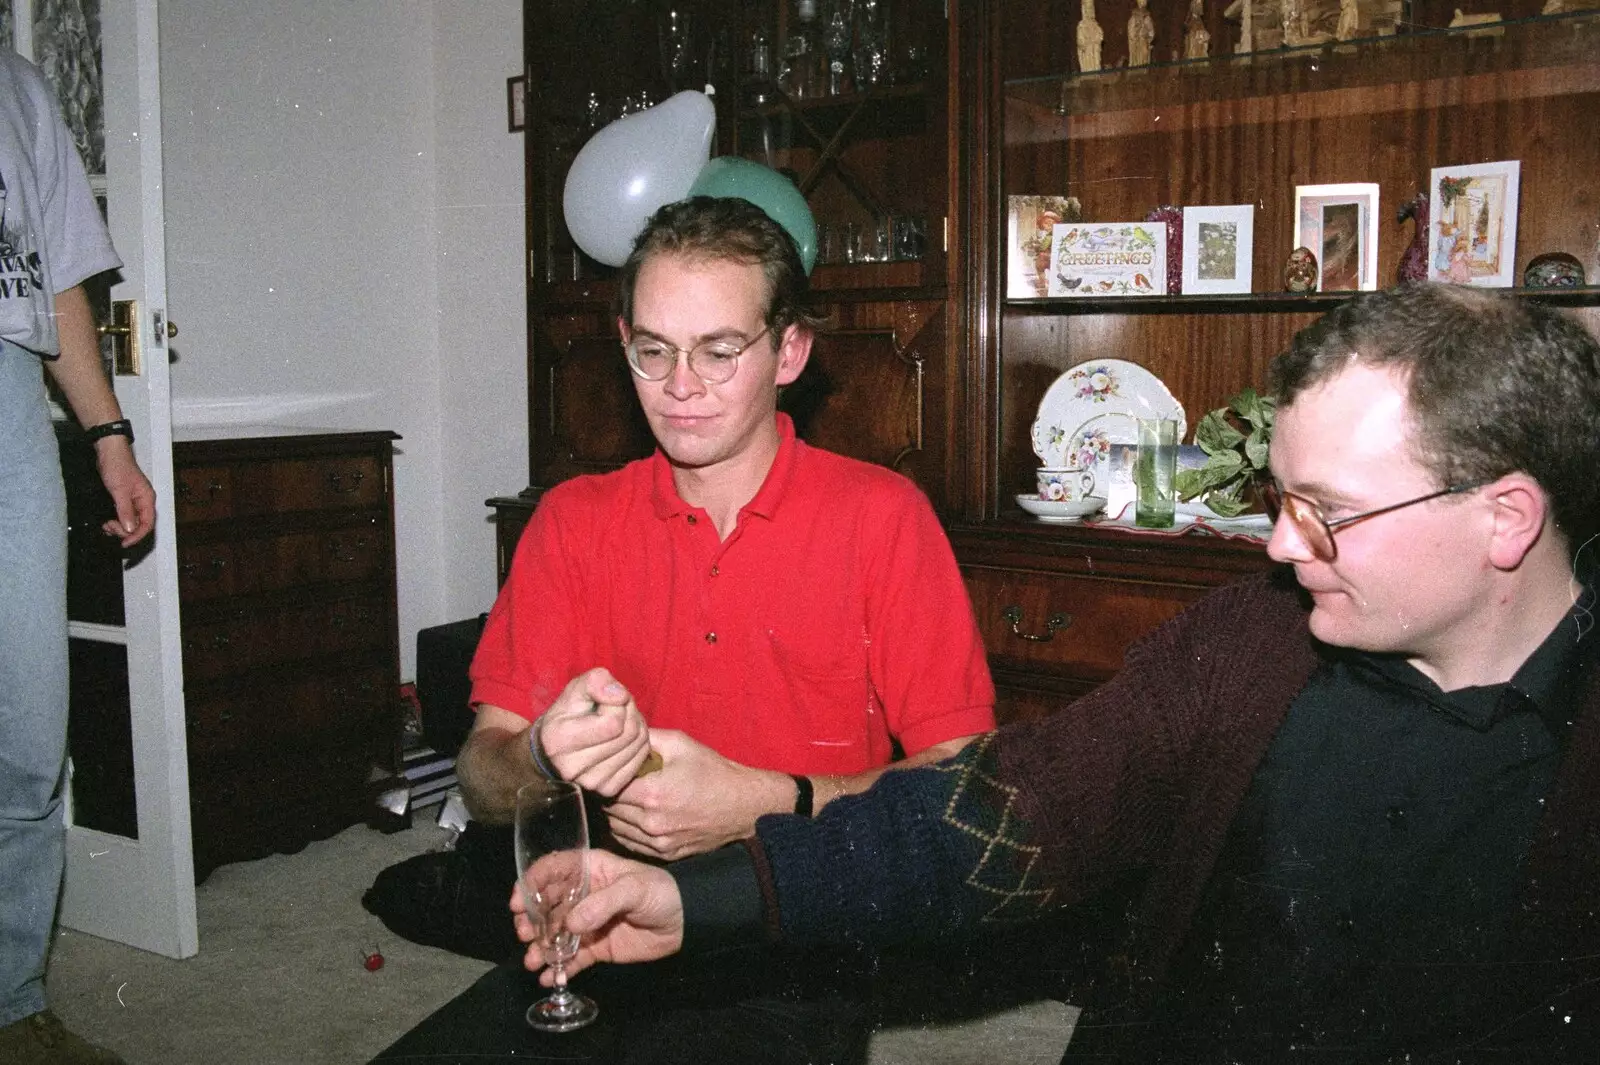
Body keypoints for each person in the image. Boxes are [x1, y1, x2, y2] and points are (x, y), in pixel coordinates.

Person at [523, 283, 1600, 1061]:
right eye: (1279, 498)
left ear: (1505, 519)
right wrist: (690, 896)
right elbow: (993, 817)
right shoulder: (1247, 644)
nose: (1279, 545)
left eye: (1331, 512)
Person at [458, 194, 994, 1059]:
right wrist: (541, 759)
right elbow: (483, 777)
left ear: (789, 351)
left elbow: (964, 787)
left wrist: (763, 804)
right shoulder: (571, 520)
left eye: (718, 351)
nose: (680, 387)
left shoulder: (883, 516)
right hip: (608, 914)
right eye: (653, 351)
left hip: (799, 922)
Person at [1, 51, 156, 1065]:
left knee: (26, 729)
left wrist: (108, 436)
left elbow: (55, 278)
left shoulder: (18, 85)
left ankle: (14, 1007)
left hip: (10, 402)